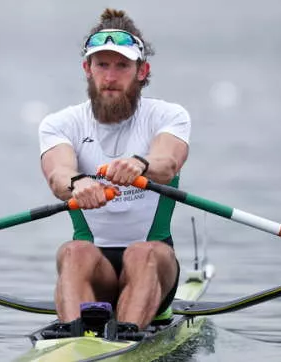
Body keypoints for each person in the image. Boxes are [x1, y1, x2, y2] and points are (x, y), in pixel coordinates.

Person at [38, 8, 191, 333]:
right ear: (87, 69)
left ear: (141, 70)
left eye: (122, 65)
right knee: (74, 251)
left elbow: (168, 163)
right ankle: (74, 340)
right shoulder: (60, 124)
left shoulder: (168, 116)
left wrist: (141, 165)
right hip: (95, 269)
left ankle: (127, 333)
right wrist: (77, 183)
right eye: (102, 65)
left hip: (155, 265)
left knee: (142, 253)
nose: (110, 76)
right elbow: (58, 174)